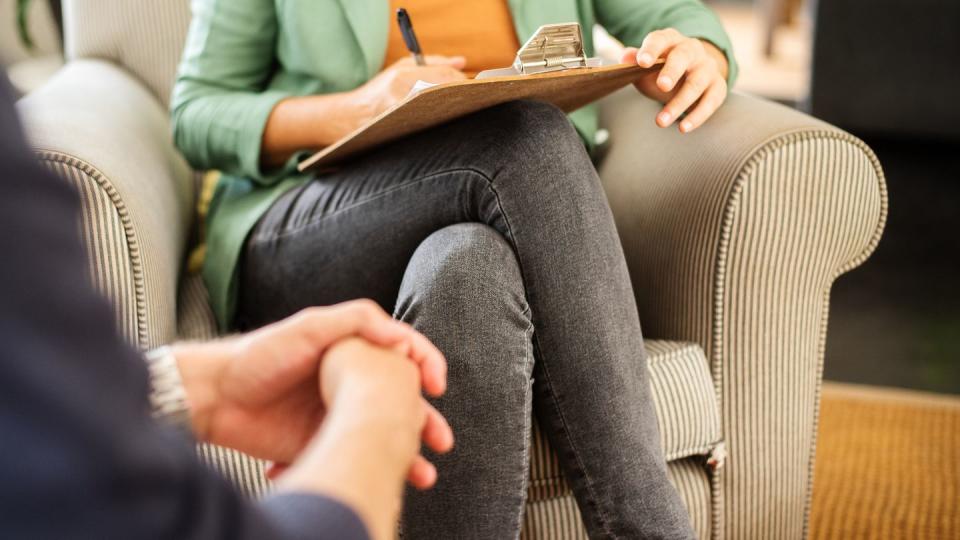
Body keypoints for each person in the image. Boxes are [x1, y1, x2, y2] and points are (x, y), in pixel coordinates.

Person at [172, 0, 738, 537]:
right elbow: (197, 112)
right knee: (529, 137)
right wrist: (358, 107)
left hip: (505, 218)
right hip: (316, 225)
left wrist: (698, 52)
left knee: (469, 270)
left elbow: (676, 18)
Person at [0, 73, 453, 540]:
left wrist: (203, 386)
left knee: (462, 260)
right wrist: (376, 414)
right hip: (301, 207)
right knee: (515, 144)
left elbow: (42, 423)